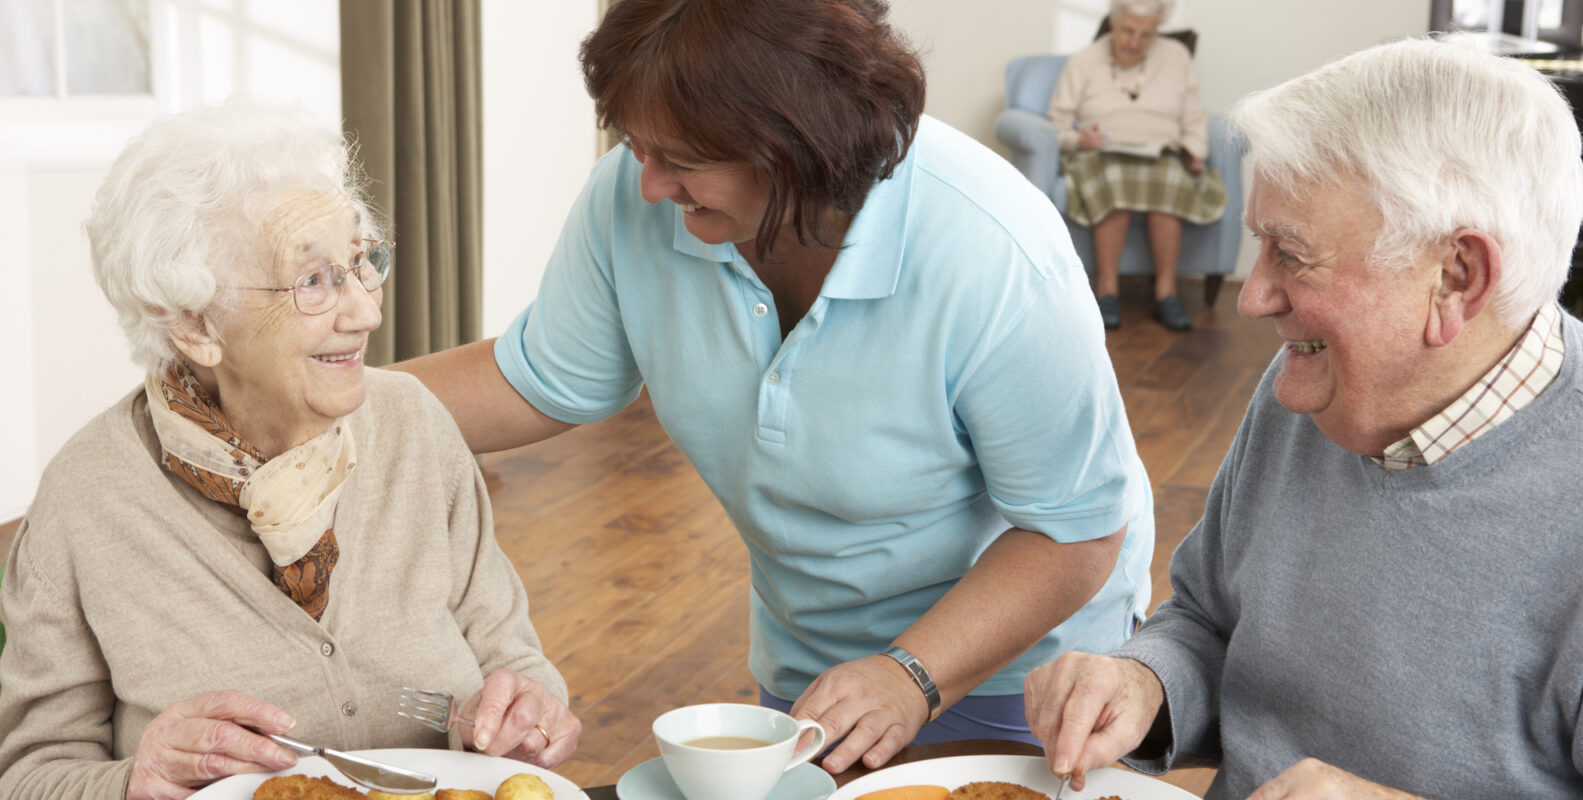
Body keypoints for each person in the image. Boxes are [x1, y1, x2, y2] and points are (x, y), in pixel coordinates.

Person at [397, 0, 1154, 776]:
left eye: (682, 159)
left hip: (1022, 667)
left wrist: (912, 675)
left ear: (797, 143)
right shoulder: (635, 198)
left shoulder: (994, 250)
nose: (649, 184)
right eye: (635, 145)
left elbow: (1077, 532)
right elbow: (536, 379)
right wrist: (335, 398)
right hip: (816, 659)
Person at [1023, 37, 1583, 799]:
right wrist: (1145, 683)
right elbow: (1208, 619)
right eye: (1259, 246)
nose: (1251, 297)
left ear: (1456, 277)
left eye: (1290, 254)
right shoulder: (1316, 382)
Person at [0, 100, 580, 800]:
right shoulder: (85, 500)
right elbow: (30, 774)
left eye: (360, 262)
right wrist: (132, 782)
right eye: (312, 281)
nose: (366, 310)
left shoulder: (415, 426)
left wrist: (530, 711)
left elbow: (510, 658)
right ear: (194, 324)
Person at [1047, 0, 1227, 331]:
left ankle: (1166, 294)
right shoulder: (1084, 60)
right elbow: (1058, 122)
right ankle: (1107, 291)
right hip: (1101, 153)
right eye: (1128, 31)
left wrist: (1194, 150)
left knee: (1172, 179)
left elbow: (1193, 114)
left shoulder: (1176, 56)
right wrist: (1079, 139)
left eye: (1146, 35)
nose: (1134, 42)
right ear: (1114, 24)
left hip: (1161, 152)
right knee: (1114, 178)